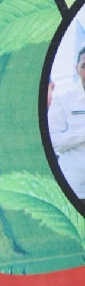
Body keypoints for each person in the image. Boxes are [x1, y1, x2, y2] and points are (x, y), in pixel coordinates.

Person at [48, 47, 85, 201]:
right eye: (84, 66)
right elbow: (54, 142)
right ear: (76, 69)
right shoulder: (63, 101)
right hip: (77, 189)